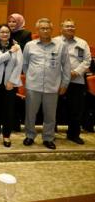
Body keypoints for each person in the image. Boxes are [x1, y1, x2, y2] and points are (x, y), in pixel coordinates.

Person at [23, 18, 71, 150]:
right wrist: (31, 77)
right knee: (30, 113)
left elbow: (66, 66)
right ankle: (30, 135)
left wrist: (64, 84)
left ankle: (48, 137)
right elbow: (25, 64)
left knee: (50, 115)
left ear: (52, 30)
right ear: (37, 30)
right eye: (42, 28)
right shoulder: (30, 45)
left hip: (52, 86)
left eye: (47, 28)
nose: (45, 30)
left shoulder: (61, 46)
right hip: (33, 86)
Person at [53, 19, 91, 145]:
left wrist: (76, 72)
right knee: (54, 108)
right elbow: (51, 58)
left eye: (72, 26)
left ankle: (73, 135)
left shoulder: (82, 42)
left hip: (77, 81)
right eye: (67, 26)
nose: (70, 28)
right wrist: (64, 73)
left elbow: (87, 61)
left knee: (76, 109)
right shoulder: (54, 41)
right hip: (57, 80)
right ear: (61, 28)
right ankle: (50, 134)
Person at [0, 24, 23, 147]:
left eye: (7, 32)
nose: (5, 34)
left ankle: (6, 135)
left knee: (8, 110)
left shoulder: (16, 46)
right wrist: (10, 52)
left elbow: (19, 65)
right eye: (2, 32)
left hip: (10, 84)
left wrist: (12, 81)